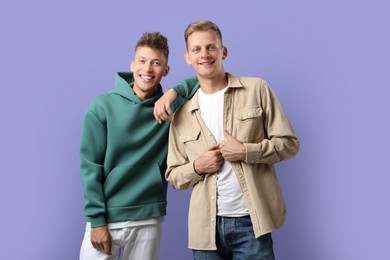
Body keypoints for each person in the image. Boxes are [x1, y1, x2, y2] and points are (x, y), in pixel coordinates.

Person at [165, 20, 300, 260]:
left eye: (211, 47)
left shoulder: (257, 89)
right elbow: (173, 175)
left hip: (252, 224)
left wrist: (247, 151)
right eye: (197, 49)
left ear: (223, 51)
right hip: (204, 230)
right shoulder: (182, 113)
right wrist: (198, 167)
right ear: (188, 57)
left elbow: (289, 144)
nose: (204, 55)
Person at [79, 32, 198, 260]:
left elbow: (204, 80)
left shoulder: (170, 106)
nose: (148, 69)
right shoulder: (102, 107)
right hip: (106, 218)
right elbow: (90, 167)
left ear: (166, 70)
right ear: (132, 65)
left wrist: (175, 90)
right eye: (142, 61)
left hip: (148, 217)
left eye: (156, 63)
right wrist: (96, 220)